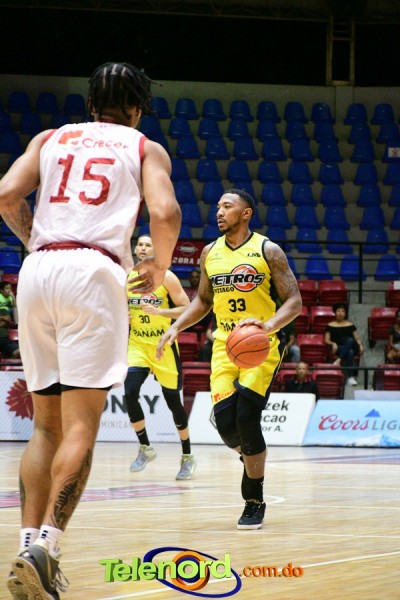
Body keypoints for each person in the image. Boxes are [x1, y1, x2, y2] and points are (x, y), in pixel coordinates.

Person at [0, 61, 181, 600]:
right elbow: (165, 212)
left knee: (45, 427)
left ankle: (25, 544)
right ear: (138, 108)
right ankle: (46, 548)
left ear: (90, 104)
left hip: (37, 270)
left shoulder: (49, 138)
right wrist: (159, 266)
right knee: (82, 424)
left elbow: (6, 194)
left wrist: (35, 241)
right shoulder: (144, 146)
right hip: (94, 272)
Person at [157, 189, 302, 530]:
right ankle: (253, 455)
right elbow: (203, 301)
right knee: (226, 426)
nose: (219, 212)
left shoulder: (268, 250)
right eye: (218, 206)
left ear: (246, 213)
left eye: (227, 206)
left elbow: (294, 301)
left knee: (247, 418)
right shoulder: (210, 252)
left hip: (261, 344)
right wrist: (176, 326)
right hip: (224, 345)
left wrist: (268, 326)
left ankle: (254, 500)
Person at [126, 234, 197, 480]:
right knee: (129, 392)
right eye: (140, 244)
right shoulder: (127, 277)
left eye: (148, 244)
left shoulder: (167, 277)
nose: (143, 248)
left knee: (174, 404)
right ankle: (145, 447)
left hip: (163, 346)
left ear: (156, 251)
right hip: (138, 345)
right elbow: (118, 307)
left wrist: (160, 312)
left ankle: (187, 455)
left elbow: (188, 308)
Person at [325, 303, 364, 386]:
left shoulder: (350, 325)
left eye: (343, 311)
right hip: (339, 348)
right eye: (338, 311)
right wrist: (333, 343)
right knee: (350, 352)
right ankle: (350, 378)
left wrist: (361, 345)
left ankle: (339, 360)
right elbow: (326, 340)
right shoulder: (330, 325)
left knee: (350, 340)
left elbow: (356, 338)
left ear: (345, 313)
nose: (340, 313)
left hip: (353, 345)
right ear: (335, 313)